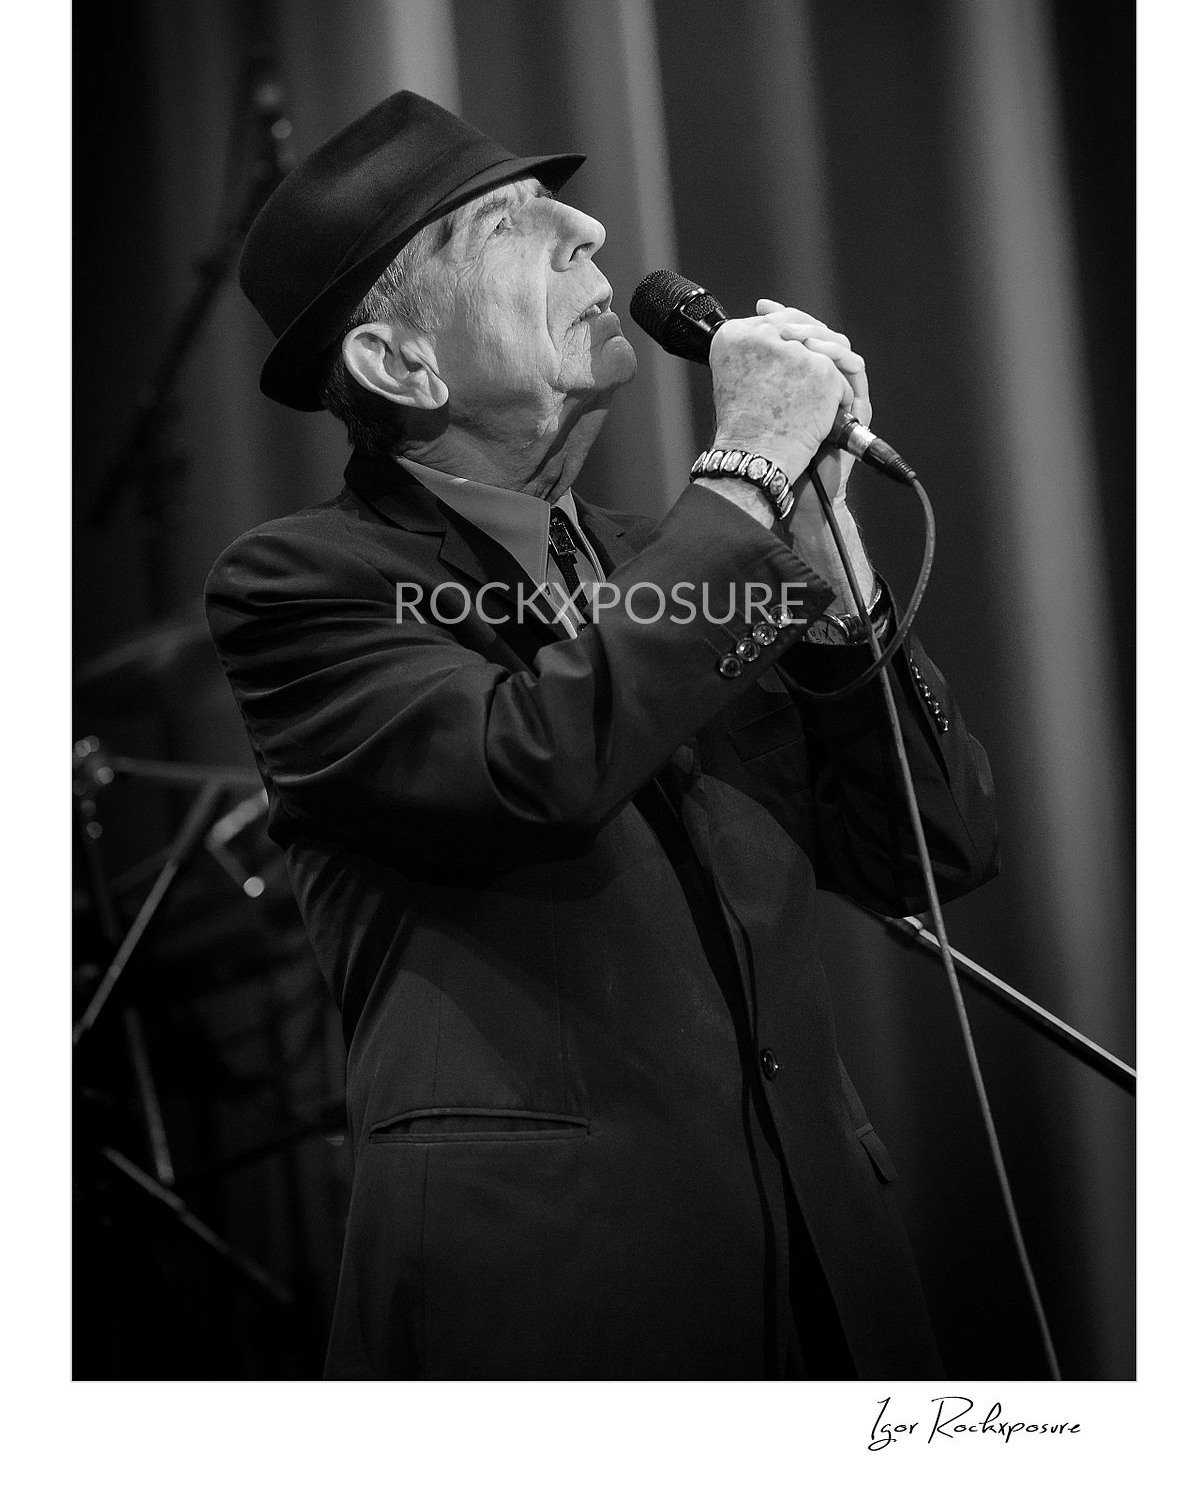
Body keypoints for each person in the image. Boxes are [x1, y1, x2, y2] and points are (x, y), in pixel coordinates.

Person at [205, 89, 999, 1379]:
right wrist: (745, 473)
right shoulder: (305, 585)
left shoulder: (673, 562)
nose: (588, 227)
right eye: (510, 222)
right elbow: (538, 763)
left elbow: (935, 847)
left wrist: (828, 557)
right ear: (400, 364)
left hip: (823, 1289)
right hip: (551, 1303)